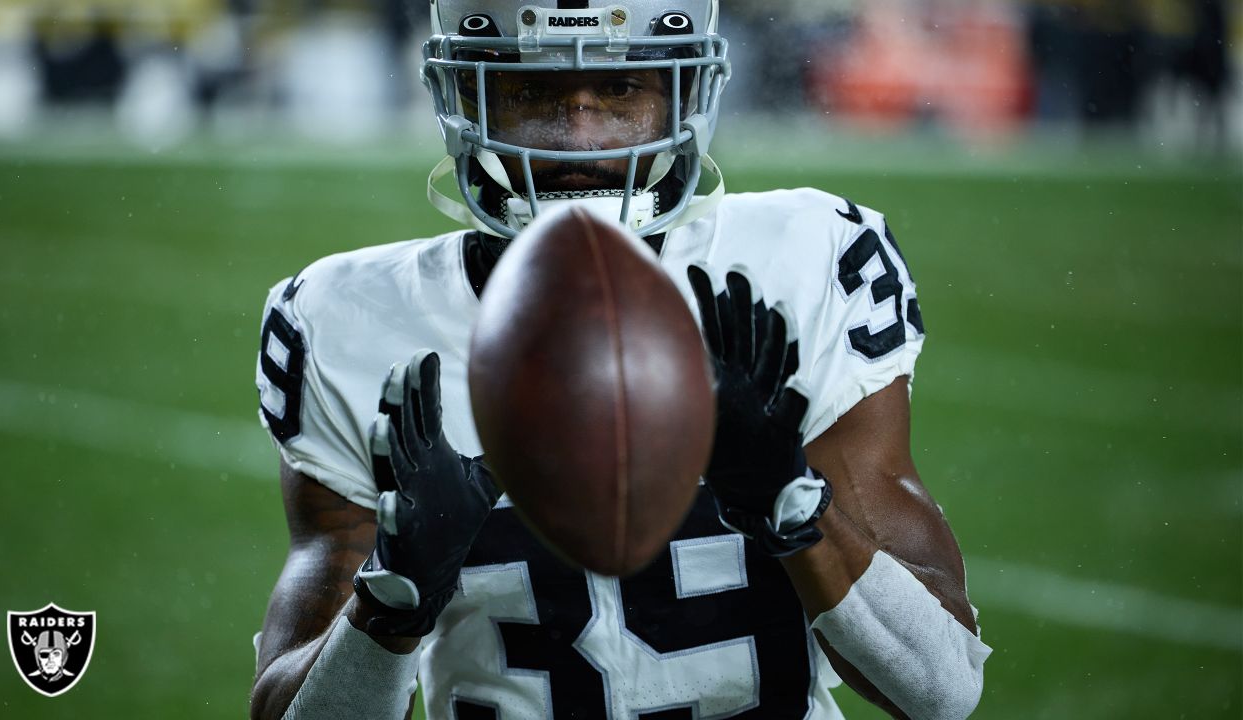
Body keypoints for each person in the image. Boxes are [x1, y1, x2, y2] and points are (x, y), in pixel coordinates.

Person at [249, 1, 991, 718]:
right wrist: (396, 594)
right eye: (531, 91)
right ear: (462, 98)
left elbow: (940, 690)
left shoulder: (804, 263)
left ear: (685, 93)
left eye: (621, 87)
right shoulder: (343, 316)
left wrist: (794, 506)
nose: (579, 133)